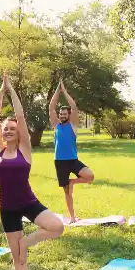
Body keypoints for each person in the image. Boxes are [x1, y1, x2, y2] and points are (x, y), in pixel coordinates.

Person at [0, 74, 65, 270]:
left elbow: (21, 116)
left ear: (18, 132)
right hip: (8, 208)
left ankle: (26, 243)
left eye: (12, 128)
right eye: (6, 129)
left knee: (57, 226)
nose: (8, 131)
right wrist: (0, 94)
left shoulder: (25, 150)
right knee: (17, 259)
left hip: (27, 202)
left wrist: (11, 90)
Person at [49, 79, 94, 222]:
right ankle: (72, 217)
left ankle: (72, 181)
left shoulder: (73, 125)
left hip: (73, 160)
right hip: (59, 162)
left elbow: (74, 107)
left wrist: (65, 91)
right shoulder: (56, 125)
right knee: (67, 193)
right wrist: (58, 90)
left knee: (90, 176)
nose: (62, 115)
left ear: (69, 115)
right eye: (60, 114)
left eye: (64, 114)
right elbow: (51, 107)